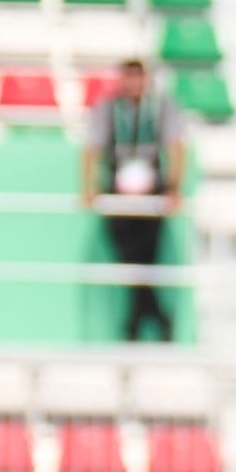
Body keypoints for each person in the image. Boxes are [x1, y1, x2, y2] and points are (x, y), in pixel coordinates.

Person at [82, 59, 184, 344]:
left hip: (151, 193)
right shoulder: (108, 109)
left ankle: (137, 320)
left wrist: (174, 187)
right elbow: (91, 149)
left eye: (138, 77)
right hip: (118, 195)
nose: (134, 83)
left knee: (147, 259)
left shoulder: (161, 108)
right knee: (128, 260)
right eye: (129, 77)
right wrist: (89, 187)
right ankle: (153, 316)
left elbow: (176, 147)